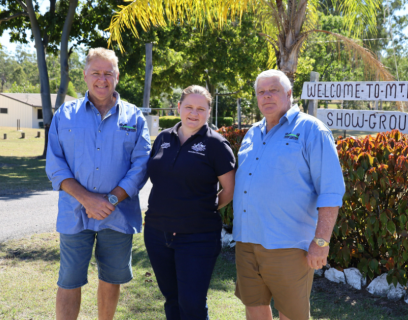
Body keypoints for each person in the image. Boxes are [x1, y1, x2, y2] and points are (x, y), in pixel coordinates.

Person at [45, 47, 151, 320]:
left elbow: (141, 165)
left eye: (108, 73)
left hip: (118, 215)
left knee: (111, 277)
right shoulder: (64, 115)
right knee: (69, 279)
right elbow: (55, 165)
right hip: (74, 212)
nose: (101, 79)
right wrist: (88, 200)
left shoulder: (134, 117)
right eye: (96, 73)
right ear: (85, 75)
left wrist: (110, 200)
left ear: (117, 76)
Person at [232, 69, 345, 320]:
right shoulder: (252, 134)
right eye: (261, 92)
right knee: (254, 307)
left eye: (273, 90)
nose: (267, 96)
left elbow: (330, 190)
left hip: (289, 246)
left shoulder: (311, 129)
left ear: (289, 94)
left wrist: (321, 241)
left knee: (292, 315)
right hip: (247, 242)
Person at [145, 85, 236, 320]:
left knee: (192, 304)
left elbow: (230, 189)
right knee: (172, 300)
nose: (193, 113)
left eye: (200, 109)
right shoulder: (164, 138)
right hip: (157, 233)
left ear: (208, 112)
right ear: (178, 108)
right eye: (188, 107)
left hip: (197, 236)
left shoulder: (216, 144)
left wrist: (206, 207)